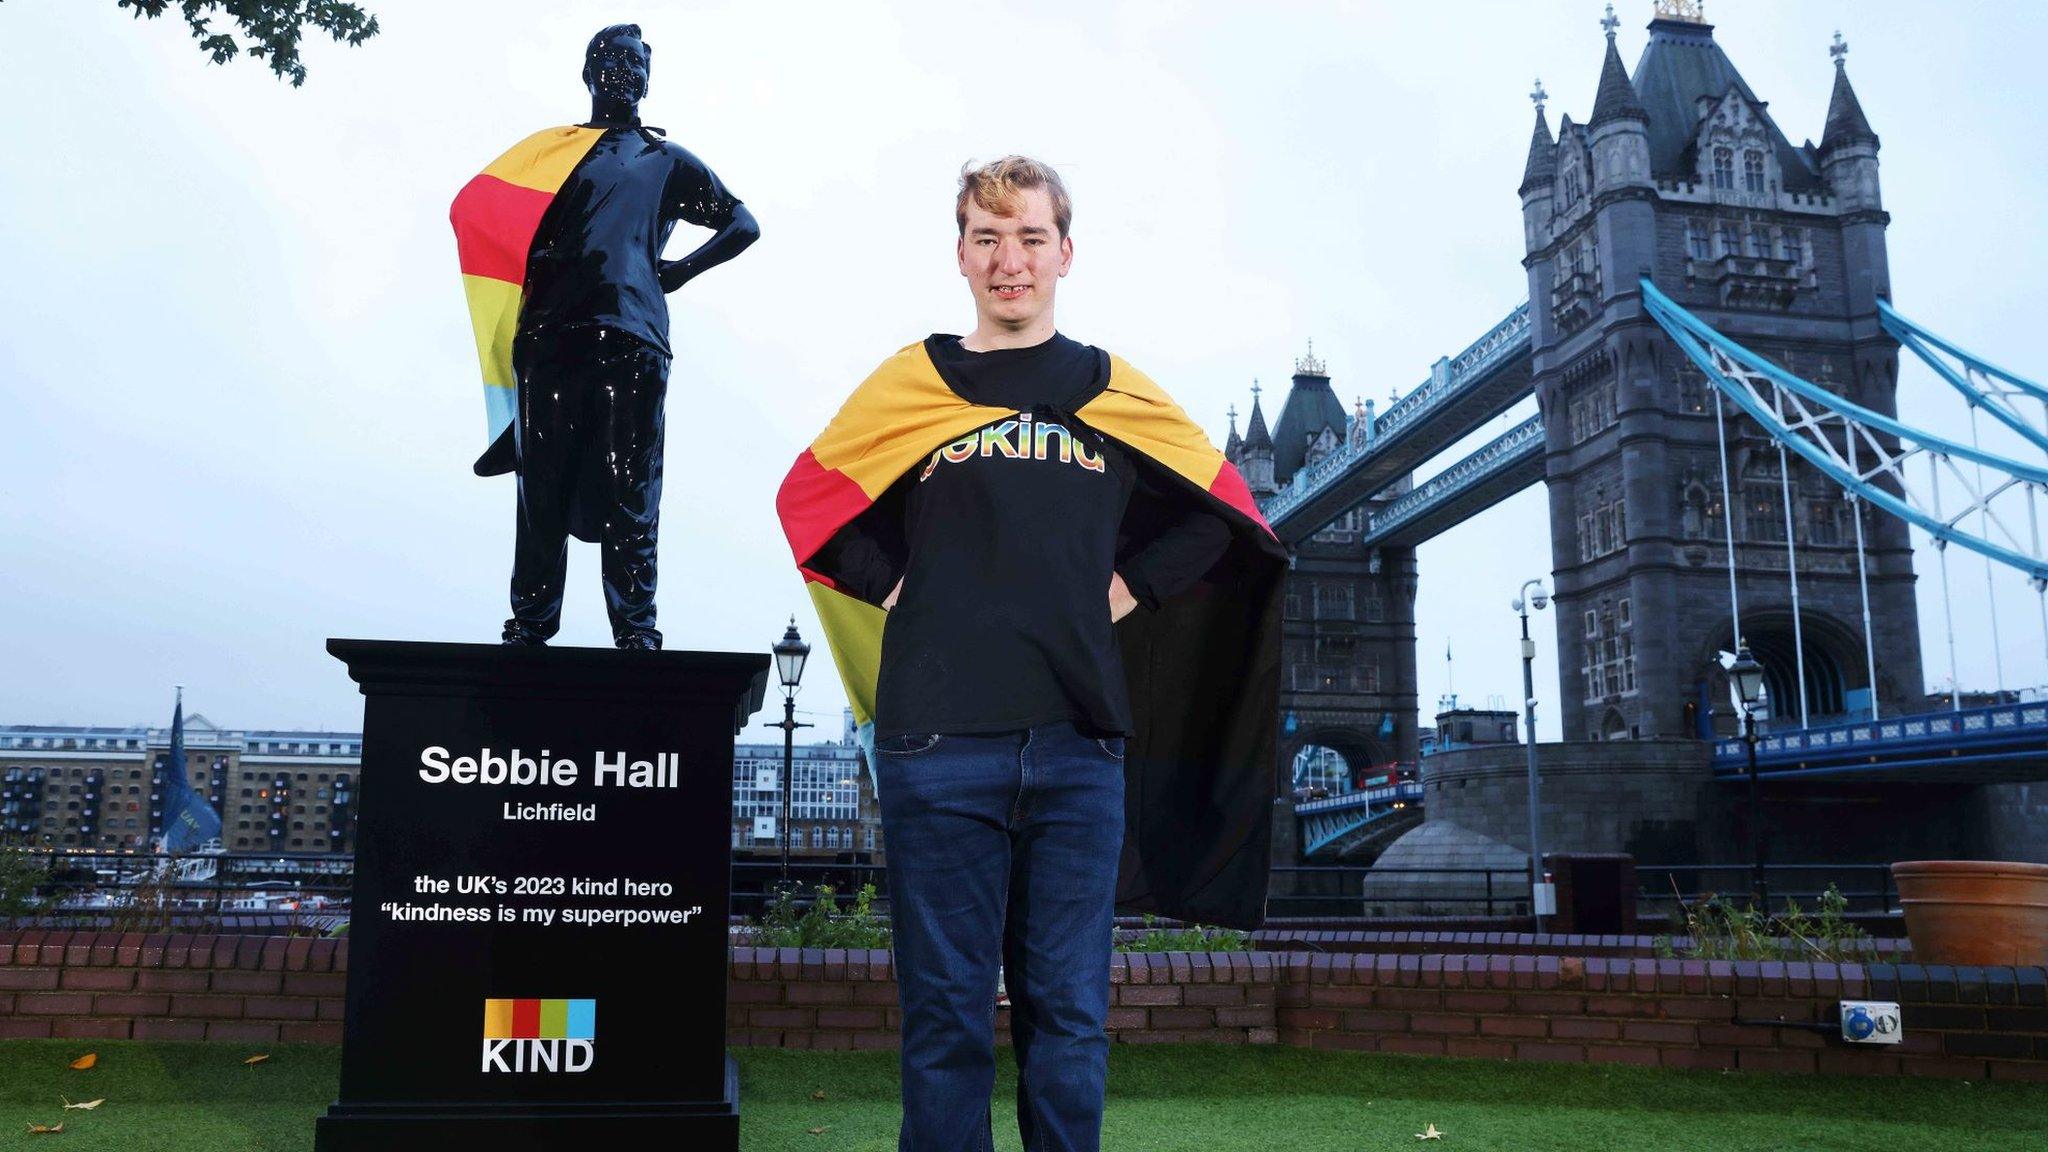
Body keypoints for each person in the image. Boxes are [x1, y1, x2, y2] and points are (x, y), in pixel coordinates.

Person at [777, 157, 1287, 1151]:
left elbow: (1222, 513)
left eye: (1029, 238)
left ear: (1064, 252)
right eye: (986, 237)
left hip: (1078, 745)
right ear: (960, 254)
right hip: (938, 745)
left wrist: (1126, 587)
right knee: (945, 1017)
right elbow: (810, 499)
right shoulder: (912, 383)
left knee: (1069, 1018)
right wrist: (900, 587)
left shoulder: (1110, 389)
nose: (1009, 260)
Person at [450, 23, 759, 649]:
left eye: (638, 63)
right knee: (542, 485)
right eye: (615, 59)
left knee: (631, 485)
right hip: (549, 335)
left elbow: (742, 222)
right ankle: (531, 624)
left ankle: (636, 627)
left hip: (633, 335)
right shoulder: (547, 156)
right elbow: (477, 209)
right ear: (589, 73)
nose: (628, 71)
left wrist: (677, 271)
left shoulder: (664, 159)